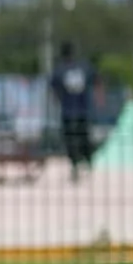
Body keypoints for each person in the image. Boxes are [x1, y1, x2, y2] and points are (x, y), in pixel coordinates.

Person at [51, 42, 97, 181]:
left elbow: (54, 89)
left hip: (69, 110)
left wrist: (58, 101)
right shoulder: (83, 66)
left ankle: (78, 162)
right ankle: (85, 160)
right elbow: (96, 80)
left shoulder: (60, 69)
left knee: (72, 138)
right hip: (81, 109)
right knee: (82, 136)